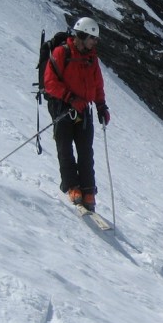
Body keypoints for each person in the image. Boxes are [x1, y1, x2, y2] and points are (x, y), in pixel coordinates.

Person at [44, 16, 110, 211]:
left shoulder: (92, 57)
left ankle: (88, 191)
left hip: (84, 109)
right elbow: (50, 82)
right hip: (63, 107)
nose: (95, 42)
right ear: (82, 35)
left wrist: (101, 106)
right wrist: (71, 98)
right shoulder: (61, 52)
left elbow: (97, 84)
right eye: (92, 38)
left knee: (85, 151)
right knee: (65, 148)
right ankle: (72, 187)